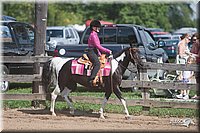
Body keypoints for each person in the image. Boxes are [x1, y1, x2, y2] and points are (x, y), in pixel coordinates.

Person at [87, 20, 112, 87]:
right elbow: (98, 46)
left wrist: (100, 54)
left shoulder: (94, 34)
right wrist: (108, 51)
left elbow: (97, 47)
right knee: (97, 63)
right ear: (93, 27)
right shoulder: (93, 35)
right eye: (97, 27)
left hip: (94, 51)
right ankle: (91, 79)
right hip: (91, 51)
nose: (99, 28)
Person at [190, 33, 200, 99]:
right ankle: (197, 94)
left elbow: (198, 55)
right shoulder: (195, 45)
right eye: (193, 40)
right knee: (197, 79)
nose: (194, 41)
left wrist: (191, 54)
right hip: (196, 63)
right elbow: (192, 52)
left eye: (195, 40)